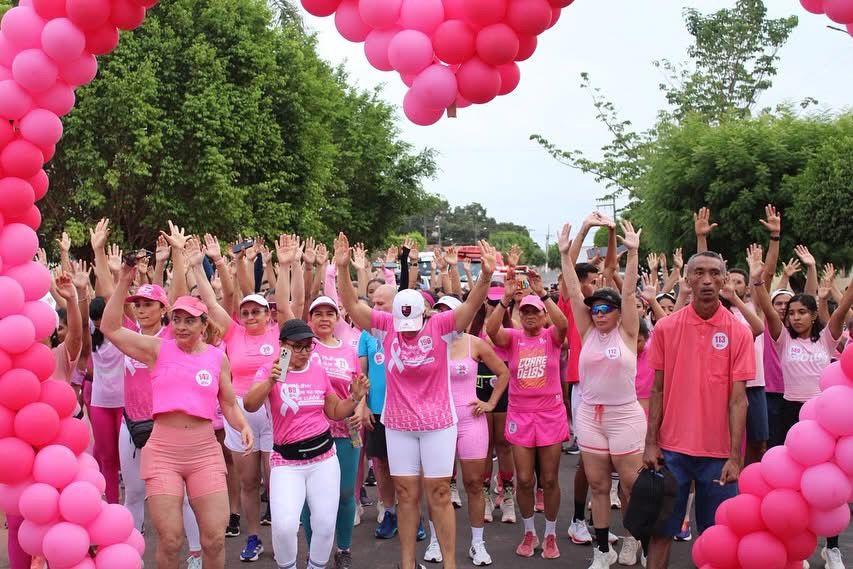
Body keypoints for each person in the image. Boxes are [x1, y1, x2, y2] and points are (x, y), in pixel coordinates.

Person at [335, 233, 497, 569]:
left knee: (439, 493)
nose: (407, 330)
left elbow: (470, 306)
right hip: (399, 425)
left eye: (414, 323)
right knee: (406, 495)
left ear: (425, 313)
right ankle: (407, 564)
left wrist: (484, 276)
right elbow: (352, 305)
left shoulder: (441, 326)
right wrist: (342, 269)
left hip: (438, 423)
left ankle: (450, 564)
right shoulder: (384, 326)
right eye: (402, 324)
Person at [102, 263, 253, 569]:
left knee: (214, 539)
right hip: (163, 452)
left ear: (203, 325)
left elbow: (228, 403)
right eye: (178, 320)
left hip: (204, 451)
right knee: (170, 540)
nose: (182, 326)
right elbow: (111, 328)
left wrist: (243, 425)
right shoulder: (158, 349)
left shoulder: (217, 358)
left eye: (190, 321)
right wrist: (123, 282)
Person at [643, 251, 754, 569]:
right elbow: (657, 389)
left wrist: (735, 457)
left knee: (718, 538)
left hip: (718, 457)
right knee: (660, 534)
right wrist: (651, 443)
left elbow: (739, 400)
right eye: (699, 273)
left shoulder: (739, 332)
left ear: (724, 279)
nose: (707, 280)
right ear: (688, 279)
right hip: (671, 452)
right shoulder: (666, 327)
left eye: (715, 273)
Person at [749, 245, 853, 569]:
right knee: (790, 486)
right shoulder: (782, 339)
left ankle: (832, 548)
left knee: (828, 486)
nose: (794, 317)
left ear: (813, 315)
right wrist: (757, 280)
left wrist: (829, 281)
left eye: (801, 312)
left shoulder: (827, 338)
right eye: (791, 313)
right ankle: (797, 550)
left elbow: (843, 306)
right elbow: (767, 309)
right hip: (789, 415)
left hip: (824, 421)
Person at [243, 319, 370, 569]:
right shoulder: (270, 370)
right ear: (283, 346)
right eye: (297, 346)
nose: (304, 352)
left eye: (308, 346)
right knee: (284, 525)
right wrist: (270, 381)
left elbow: (334, 411)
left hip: (323, 458)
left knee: (324, 524)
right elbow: (249, 404)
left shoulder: (317, 370)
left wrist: (354, 398)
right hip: (286, 461)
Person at [188, 235, 282, 562]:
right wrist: (199, 265)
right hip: (241, 413)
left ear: (268, 314)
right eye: (246, 311)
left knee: (276, 481)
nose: (251, 316)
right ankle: (253, 537)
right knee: (248, 481)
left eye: (257, 311)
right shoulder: (233, 333)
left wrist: (283, 267)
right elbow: (211, 304)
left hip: (275, 411)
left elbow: (292, 300)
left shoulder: (278, 333)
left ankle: (282, 537)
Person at [560, 220, 646, 568]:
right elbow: (573, 292)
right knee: (598, 486)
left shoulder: (627, 332)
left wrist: (633, 253)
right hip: (591, 415)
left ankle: (634, 540)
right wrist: (565, 255)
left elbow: (629, 293)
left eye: (604, 309)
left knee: (629, 486)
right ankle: (601, 551)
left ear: (617, 313)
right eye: (593, 310)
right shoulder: (587, 331)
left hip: (624, 416)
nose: (597, 314)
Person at [486, 269, 569, 560]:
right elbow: (491, 331)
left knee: (549, 479)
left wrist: (543, 294)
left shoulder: (551, 337)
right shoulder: (513, 337)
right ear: (520, 315)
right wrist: (505, 300)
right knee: (523, 479)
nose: (531, 316)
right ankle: (529, 531)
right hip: (520, 415)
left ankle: (550, 534)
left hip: (550, 414)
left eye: (536, 312)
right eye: (526, 312)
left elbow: (564, 324)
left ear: (544, 315)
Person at [118, 284, 203, 569]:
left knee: (183, 497)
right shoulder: (129, 334)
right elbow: (109, 303)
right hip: (131, 423)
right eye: (137, 304)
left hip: (164, 424)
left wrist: (178, 261)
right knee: (133, 493)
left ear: (163, 308)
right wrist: (116, 271)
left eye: (148, 304)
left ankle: (196, 555)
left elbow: (178, 287)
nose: (141, 310)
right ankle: (131, 555)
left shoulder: (170, 336)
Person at [425, 295, 510, 566]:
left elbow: (503, 373)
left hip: (470, 421)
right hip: (438, 423)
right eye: (439, 311)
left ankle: (477, 544)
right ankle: (435, 541)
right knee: (438, 487)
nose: (444, 317)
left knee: (474, 483)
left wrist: (490, 403)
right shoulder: (426, 344)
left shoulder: (476, 343)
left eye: (448, 312)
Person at [301, 295, 363, 569]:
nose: (324, 318)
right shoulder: (304, 348)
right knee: (311, 498)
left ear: (338, 318)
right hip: (311, 432)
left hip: (346, 431)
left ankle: (343, 548)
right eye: (318, 314)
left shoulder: (348, 351)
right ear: (310, 319)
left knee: (346, 493)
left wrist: (360, 408)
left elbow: (358, 387)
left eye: (330, 313)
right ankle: (314, 551)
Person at [469, 286, 515, 525]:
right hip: (478, 387)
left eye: (499, 302)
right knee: (484, 446)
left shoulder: (510, 326)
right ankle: (485, 495)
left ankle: (507, 495)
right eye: (491, 302)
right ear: (484, 301)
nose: (495, 306)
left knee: (504, 444)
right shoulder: (473, 327)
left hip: (503, 386)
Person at [359, 284, 399, 539]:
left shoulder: (408, 329)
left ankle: (412, 514)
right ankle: (391, 512)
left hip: (403, 412)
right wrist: (363, 405)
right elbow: (361, 373)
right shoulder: (367, 333)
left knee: (406, 468)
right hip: (376, 410)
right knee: (382, 464)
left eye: (381, 304)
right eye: (373, 303)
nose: (375, 308)